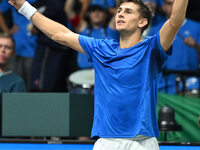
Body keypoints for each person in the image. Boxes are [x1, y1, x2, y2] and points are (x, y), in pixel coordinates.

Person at [8, 0, 188, 149]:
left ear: (142, 22)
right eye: (119, 10)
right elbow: (60, 34)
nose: (120, 14)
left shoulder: (152, 48)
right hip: (106, 141)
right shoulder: (102, 48)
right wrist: (25, 7)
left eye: (128, 11)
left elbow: (175, 21)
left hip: (142, 142)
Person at [148, 0, 200, 94]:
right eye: (168, 3)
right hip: (163, 85)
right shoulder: (155, 30)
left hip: (190, 84)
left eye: (175, 3)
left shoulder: (197, 27)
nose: (172, 6)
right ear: (163, 6)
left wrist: (196, 46)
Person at [29, 0, 77, 92]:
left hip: (51, 43)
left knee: (44, 83)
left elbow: (55, 8)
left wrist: (36, 24)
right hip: (57, 42)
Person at [0, 0, 36, 90]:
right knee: (12, 82)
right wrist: (7, 31)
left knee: (30, 88)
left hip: (32, 49)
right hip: (15, 50)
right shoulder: (13, 0)